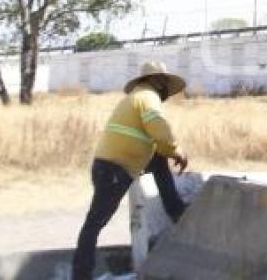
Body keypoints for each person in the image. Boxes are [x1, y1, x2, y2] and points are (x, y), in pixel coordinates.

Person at [72, 61, 189, 280]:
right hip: (115, 169)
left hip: (114, 165)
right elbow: (160, 131)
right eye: (163, 81)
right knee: (95, 223)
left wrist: (168, 152)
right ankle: (80, 274)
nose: (165, 88)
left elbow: (154, 141)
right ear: (155, 80)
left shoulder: (136, 97)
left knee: (159, 162)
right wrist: (178, 151)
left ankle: (175, 209)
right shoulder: (148, 97)